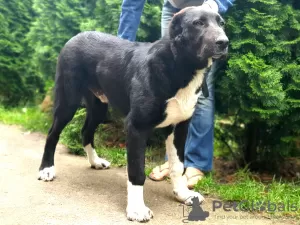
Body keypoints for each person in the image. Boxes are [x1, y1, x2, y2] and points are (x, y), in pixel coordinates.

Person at [117, 0, 235, 189]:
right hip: (174, 9)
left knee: (200, 94)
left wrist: (214, 5)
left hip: (208, 8)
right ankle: (173, 163)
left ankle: (196, 164)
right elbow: (132, 3)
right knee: (169, 88)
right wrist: (121, 43)